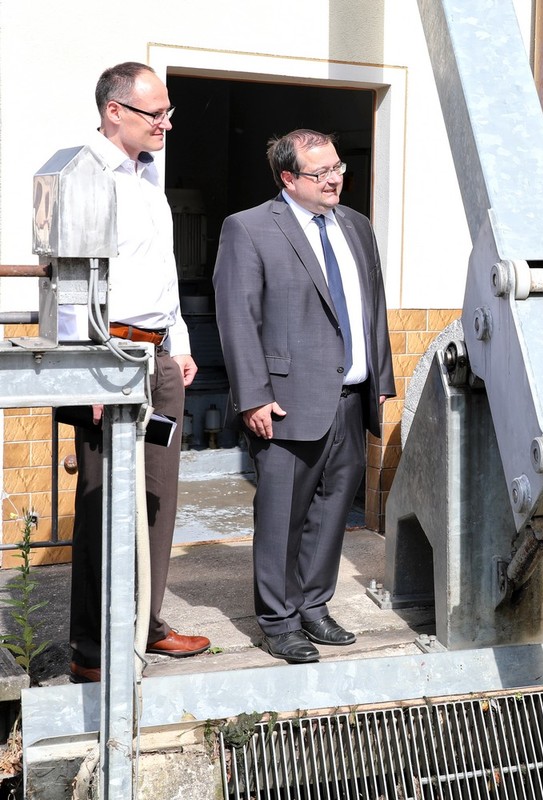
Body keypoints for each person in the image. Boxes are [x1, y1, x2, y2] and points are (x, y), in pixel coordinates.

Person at [213, 129, 394, 664]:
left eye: (338, 167)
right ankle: (278, 619)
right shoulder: (248, 228)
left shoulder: (357, 227)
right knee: (281, 515)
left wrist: (380, 381)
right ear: (288, 179)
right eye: (321, 173)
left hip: (351, 395)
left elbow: (372, 309)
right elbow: (237, 318)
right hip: (286, 401)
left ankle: (314, 606)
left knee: (333, 509)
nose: (335, 178)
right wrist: (252, 397)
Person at [65, 62, 211, 684]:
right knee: (103, 502)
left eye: (169, 112)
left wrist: (177, 344)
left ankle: (144, 622)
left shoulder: (149, 181)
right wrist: (80, 375)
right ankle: (93, 650)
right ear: (113, 111)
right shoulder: (82, 175)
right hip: (107, 360)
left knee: (156, 497)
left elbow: (162, 274)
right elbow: (67, 283)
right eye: (156, 113)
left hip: (156, 358)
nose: (167, 124)